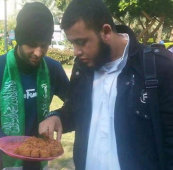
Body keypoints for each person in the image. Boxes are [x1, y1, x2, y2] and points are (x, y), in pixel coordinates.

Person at [39, 0, 173, 170]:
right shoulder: (82, 68)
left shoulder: (158, 68)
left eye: (81, 42)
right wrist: (56, 116)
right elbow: (75, 110)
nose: (76, 51)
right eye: (72, 43)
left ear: (106, 32)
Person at [0, 2, 69, 170]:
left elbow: (75, 104)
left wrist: (57, 116)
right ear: (18, 39)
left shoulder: (52, 69)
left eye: (44, 45)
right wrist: (11, 147)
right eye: (32, 44)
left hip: (37, 160)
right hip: (0, 161)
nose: (38, 52)